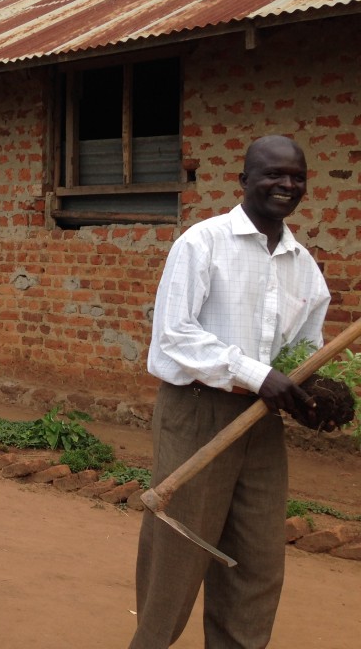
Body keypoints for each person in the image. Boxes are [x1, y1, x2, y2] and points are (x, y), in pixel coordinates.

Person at [130, 134, 331, 648]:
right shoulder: (203, 244)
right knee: (177, 551)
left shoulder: (303, 265)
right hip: (197, 412)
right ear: (243, 181)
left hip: (262, 425)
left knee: (257, 560)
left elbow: (304, 354)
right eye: (273, 174)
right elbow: (174, 335)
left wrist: (313, 396)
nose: (286, 184)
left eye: (297, 177)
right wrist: (256, 373)